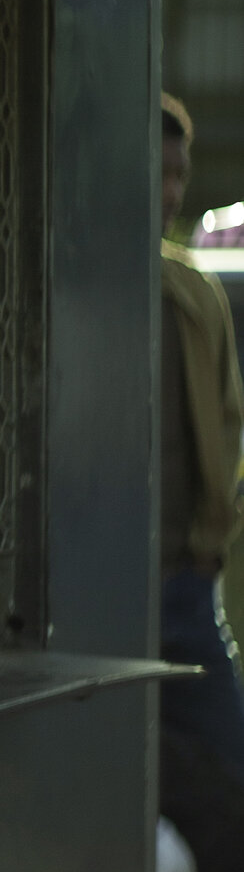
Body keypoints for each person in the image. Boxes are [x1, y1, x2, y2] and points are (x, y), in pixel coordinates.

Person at [159, 94, 244, 801]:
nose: (170, 193)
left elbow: (226, 419)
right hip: (91, 594)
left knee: (226, 763)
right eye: (155, 174)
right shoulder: (69, 288)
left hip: (182, 585)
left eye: (179, 176)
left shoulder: (194, 294)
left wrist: (212, 539)